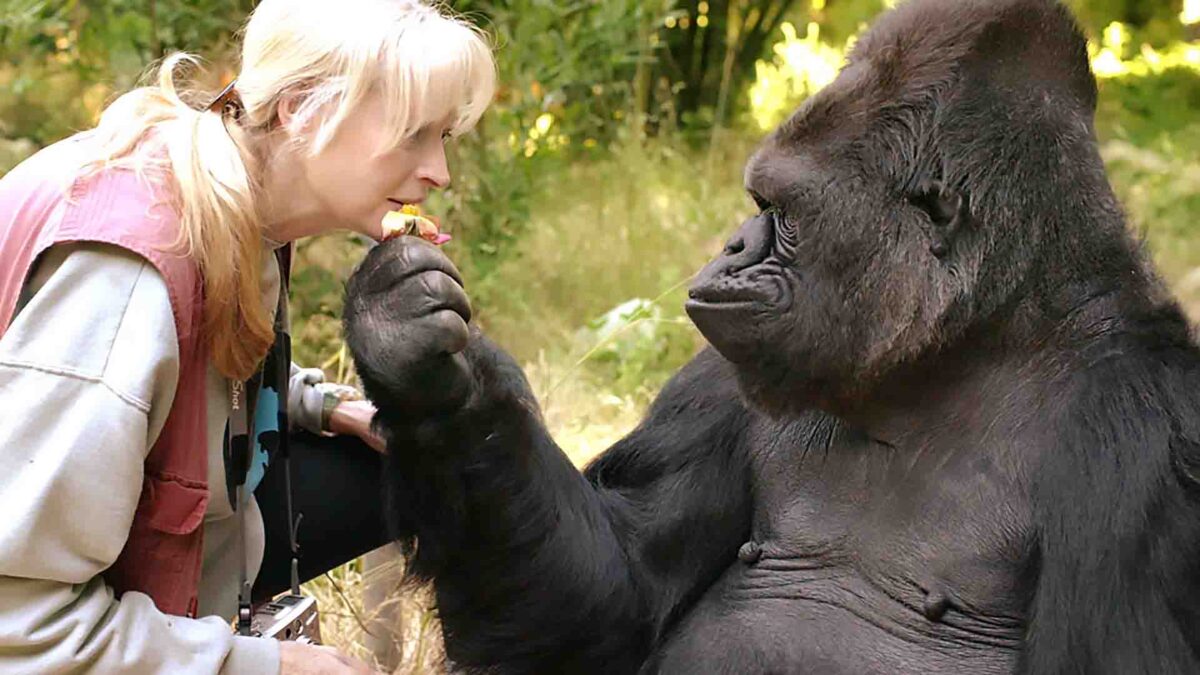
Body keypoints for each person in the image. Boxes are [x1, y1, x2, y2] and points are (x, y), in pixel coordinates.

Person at [0, 0, 495, 672]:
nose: (439, 171)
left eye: (445, 137)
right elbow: (18, 621)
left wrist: (325, 406)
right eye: (414, 134)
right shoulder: (125, 279)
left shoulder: (233, 192)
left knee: (417, 460)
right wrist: (270, 665)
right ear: (301, 108)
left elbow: (181, 372)